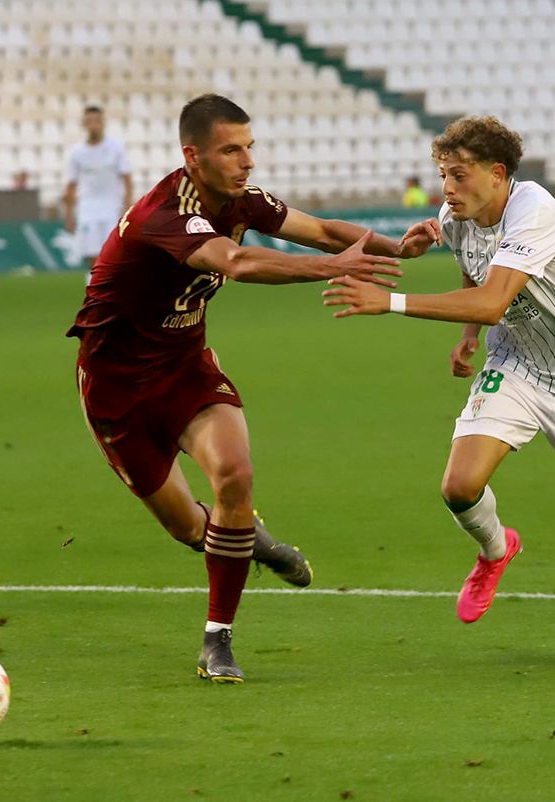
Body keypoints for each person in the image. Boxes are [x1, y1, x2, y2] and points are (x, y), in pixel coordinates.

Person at [68, 94, 435, 683]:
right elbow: (236, 262)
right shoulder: (164, 214)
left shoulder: (241, 199)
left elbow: (316, 229)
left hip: (185, 368)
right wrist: (331, 269)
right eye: (231, 150)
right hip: (116, 388)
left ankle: (218, 639)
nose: (247, 161)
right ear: (193, 156)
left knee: (235, 474)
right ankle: (252, 540)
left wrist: (396, 245)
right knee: (191, 527)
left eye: (249, 148)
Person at [323, 115, 555, 668]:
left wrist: (391, 302)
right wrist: (470, 336)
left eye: (458, 174)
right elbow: (476, 273)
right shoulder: (458, 214)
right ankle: (497, 549)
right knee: (459, 485)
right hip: (517, 364)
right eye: (443, 174)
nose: (447, 187)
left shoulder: (536, 212)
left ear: (497, 174)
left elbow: (494, 300)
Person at [64, 105, 133, 275]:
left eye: (97, 121)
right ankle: (96, 291)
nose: (93, 125)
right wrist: (69, 215)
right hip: (88, 209)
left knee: (113, 253)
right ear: (84, 124)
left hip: (112, 208)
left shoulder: (116, 148)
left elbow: (127, 180)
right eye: (89, 121)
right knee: (91, 255)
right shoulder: (77, 152)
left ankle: (111, 290)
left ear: (103, 123)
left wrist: (127, 208)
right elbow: (71, 185)